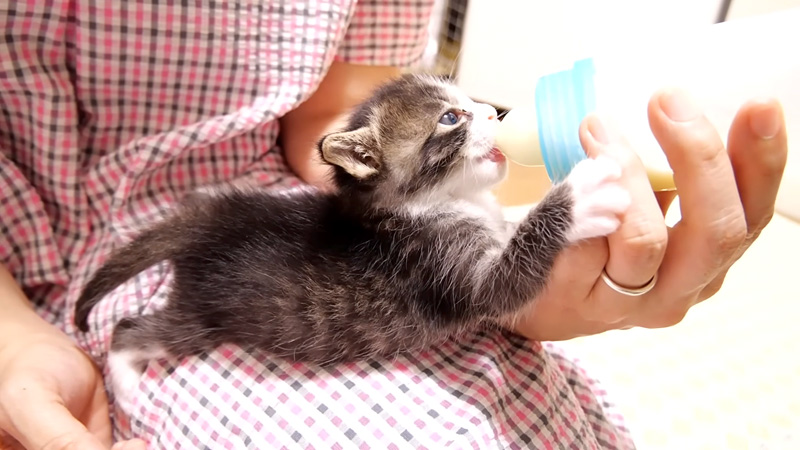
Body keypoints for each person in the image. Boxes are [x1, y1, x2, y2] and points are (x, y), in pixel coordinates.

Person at [0, 1, 787, 449]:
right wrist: (561, 209)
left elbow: (342, 118)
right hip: (48, 265)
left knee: (543, 420)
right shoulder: (418, 227)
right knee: (208, 324)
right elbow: (492, 280)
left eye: (468, 105)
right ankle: (136, 340)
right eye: (457, 118)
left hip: (280, 202)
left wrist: (560, 279)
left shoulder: (414, 210)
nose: (486, 118)